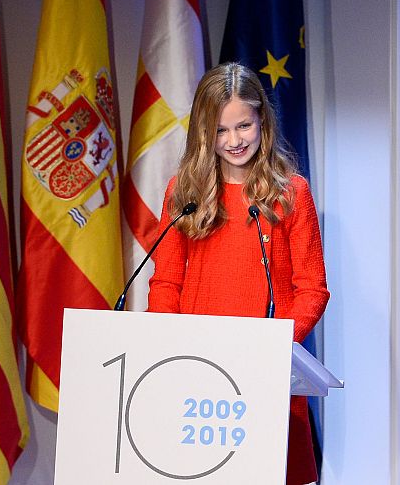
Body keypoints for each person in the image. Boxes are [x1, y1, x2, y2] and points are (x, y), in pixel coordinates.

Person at [147, 62, 329, 485]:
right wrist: (169, 345)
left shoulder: (291, 193)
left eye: (243, 126)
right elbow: (166, 282)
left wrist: (271, 344)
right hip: (198, 370)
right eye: (220, 131)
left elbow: (313, 290)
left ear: (261, 120)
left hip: (265, 370)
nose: (233, 141)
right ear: (203, 133)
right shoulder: (184, 192)